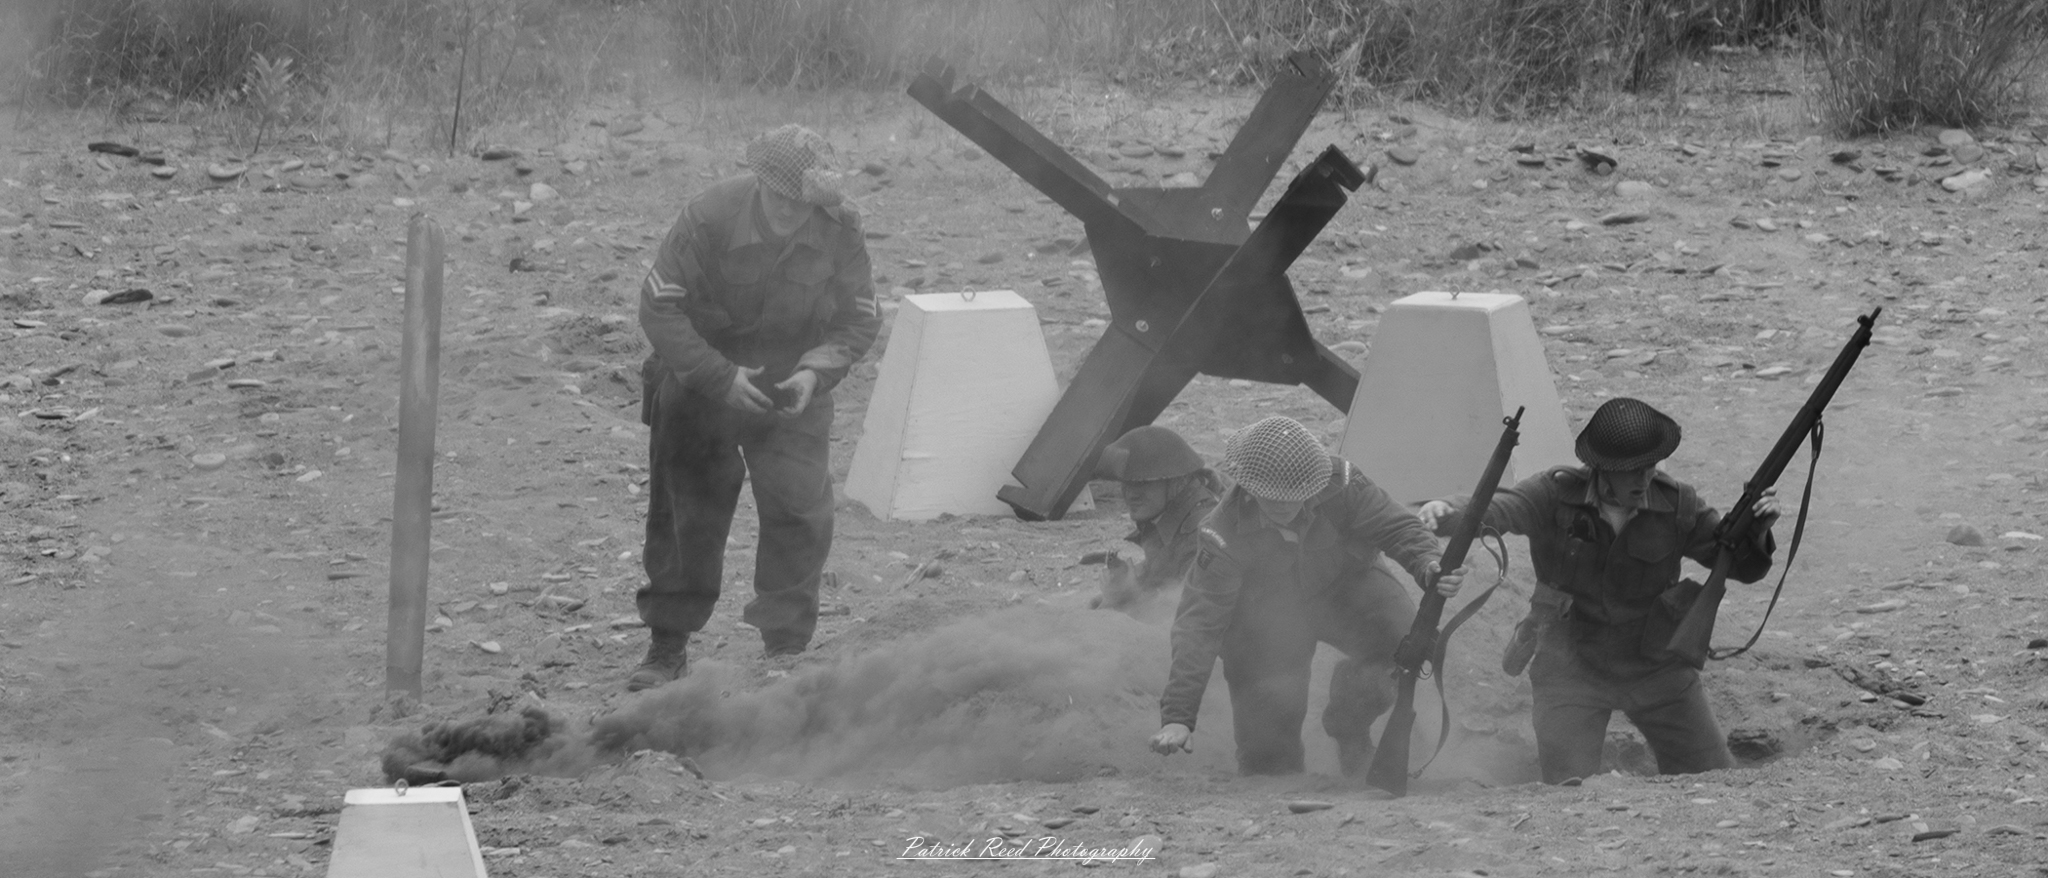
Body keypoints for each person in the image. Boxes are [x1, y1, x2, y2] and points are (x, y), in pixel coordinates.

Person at [628, 125, 880, 691]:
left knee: (800, 512)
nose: (795, 211)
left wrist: (816, 373)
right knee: (686, 511)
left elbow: (859, 318)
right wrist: (719, 377)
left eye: (806, 202)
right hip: (701, 381)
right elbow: (660, 309)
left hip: (790, 382)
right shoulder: (709, 215)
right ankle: (667, 646)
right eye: (783, 198)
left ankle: (784, 653)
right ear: (761, 183)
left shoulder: (841, 225)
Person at [1416, 397, 1780, 783]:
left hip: (1655, 666)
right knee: (1567, 790)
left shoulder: (1678, 505)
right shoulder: (1554, 494)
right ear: (1602, 470)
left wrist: (1757, 529)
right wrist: (1449, 512)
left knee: (1716, 779)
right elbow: (1502, 507)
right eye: (1632, 472)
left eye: (1650, 467)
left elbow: (1741, 566)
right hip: (1571, 669)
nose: (1644, 480)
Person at [1147, 416, 1464, 776]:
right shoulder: (1221, 535)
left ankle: (1348, 725)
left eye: (1295, 493)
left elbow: (1397, 526)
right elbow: (1199, 624)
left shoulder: (1342, 483)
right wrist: (1178, 717)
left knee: (1409, 640)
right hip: (1264, 620)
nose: (1284, 504)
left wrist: (1428, 564)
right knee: (1269, 764)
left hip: (1345, 588)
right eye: (1272, 495)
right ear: (1248, 486)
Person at [1086, 425, 1223, 623]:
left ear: (1178, 481)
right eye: (1127, 483)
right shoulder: (1172, 514)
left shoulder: (1203, 533)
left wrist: (1131, 597)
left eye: (1142, 483)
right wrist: (1128, 579)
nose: (1131, 494)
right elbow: (1165, 571)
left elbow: (1190, 616)